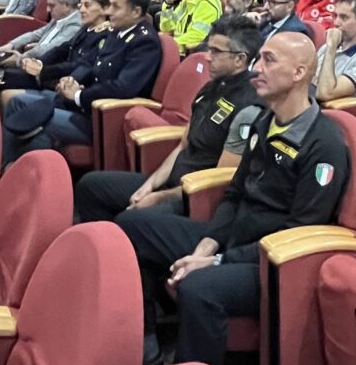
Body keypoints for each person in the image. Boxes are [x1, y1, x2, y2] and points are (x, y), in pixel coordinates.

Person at [113, 33, 348, 365]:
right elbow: (235, 192)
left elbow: (299, 232)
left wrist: (219, 261)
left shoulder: (324, 146)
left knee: (198, 286)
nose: (257, 69)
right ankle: (147, 341)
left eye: (269, 60)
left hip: (267, 263)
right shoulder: (264, 120)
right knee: (132, 225)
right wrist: (207, 246)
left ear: (298, 73)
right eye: (259, 59)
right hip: (232, 236)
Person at [73, 15, 264, 224]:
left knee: (130, 219)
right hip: (171, 182)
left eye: (216, 52)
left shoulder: (248, 104)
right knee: (90, 186)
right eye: (208, 49)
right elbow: (184, 145)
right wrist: (151, 185)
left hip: (193, 197)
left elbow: (217, 182)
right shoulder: (212, 87)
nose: (207, 57)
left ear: (240, 59)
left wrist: (161, 196)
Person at [5, 0, 161, 156]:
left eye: (115, 7)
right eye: (109, 5)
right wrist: (72, 81)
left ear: (136, 11)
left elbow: (123, 88)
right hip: (83, 102)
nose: (109, 11)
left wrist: (79, 95)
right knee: (17, 102)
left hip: (100, 118)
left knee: (35, 121)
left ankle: (29, 173)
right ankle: (9, 168)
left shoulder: (144, 42)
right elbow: (90, 63)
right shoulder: (118, 31)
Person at [0, 0, 84, 86]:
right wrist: (11, 45)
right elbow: (35, 34)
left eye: (52, 6)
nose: (48, 10)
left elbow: (49, 48)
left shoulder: (75, 26)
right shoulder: (59, 18)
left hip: (38, 71)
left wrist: (21, 58)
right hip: (26, 63)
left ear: (66, 5)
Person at [314, 0, 356, 102]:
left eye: (344, 17)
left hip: (328, 114)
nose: (336, 23)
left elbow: (325, 94)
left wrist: (331, 48)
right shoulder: (327, 46)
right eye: (335, 16)